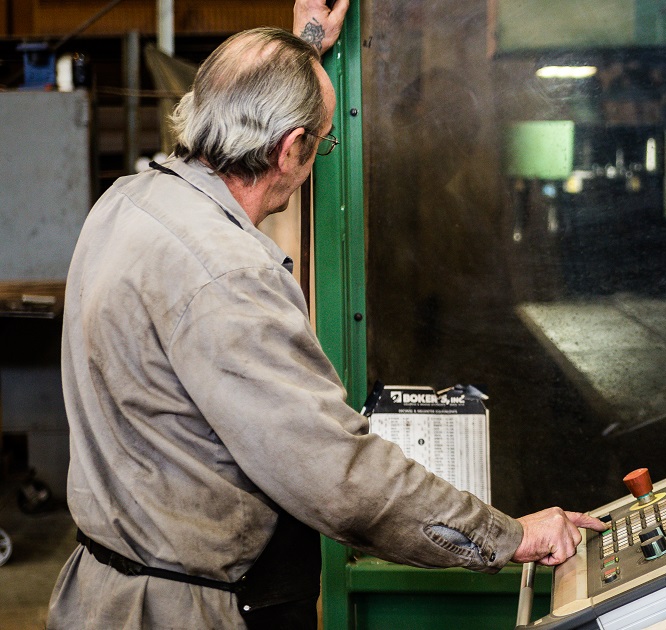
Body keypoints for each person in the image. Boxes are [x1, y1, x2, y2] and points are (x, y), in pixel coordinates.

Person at [47, 5, 603, 628]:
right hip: (187, 610)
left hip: (100, 592)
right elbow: (339, 478)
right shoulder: (232, 278)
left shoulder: (127, 202)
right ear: (291, 150)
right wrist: (506, 536)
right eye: (323, 142)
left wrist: (308, 47)